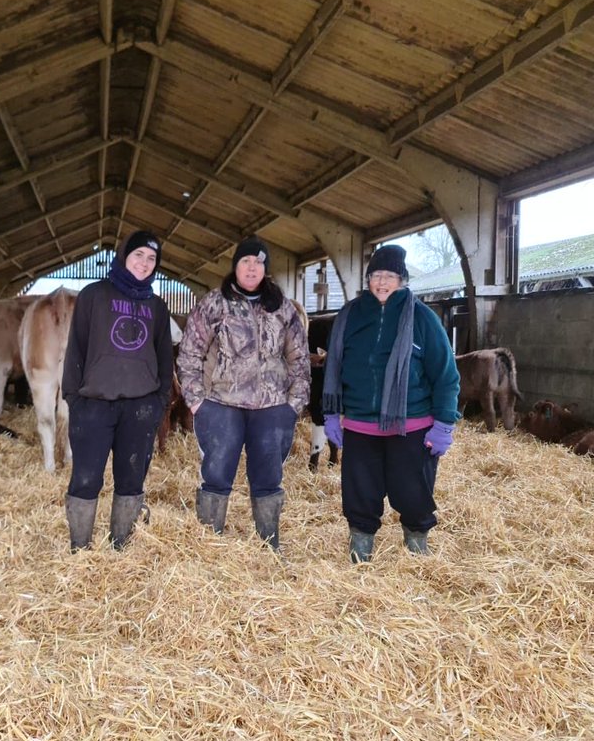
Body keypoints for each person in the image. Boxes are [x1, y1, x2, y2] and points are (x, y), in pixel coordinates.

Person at [320, 244, 460, 563]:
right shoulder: (350, 315)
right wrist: (331, 414)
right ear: (368, 279)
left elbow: (446, 375)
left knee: (413, 492)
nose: (382, 282)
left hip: (411, 425)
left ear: (403, 279)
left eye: (390, 276)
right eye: (376, 276)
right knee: (359, 493)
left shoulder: (422, 318)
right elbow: (334, 367)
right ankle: (361, 546)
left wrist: (443, 424)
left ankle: (416, 543)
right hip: (359, 424)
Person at [177, 236, 310, 551]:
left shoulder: (284, 309)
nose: (252, 268)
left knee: (268, 475)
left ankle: (269, 543)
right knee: (217, 471)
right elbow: (189, 353)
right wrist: (196, 401)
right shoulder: (214, 303)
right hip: (222, 405)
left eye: (259, 263)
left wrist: (294, 404)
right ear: (235, 266)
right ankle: (210, 542)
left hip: (273, 406)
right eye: (246, 261)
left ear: (266, 269)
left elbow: (300, 358)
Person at [62, 230, 175, 551]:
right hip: (93, 406)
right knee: (86, 479)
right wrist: (74, 397)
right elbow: (76, 350)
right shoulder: (94, 295)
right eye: (138, 255)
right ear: (124, 255)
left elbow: (165, 359)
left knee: (131, 480)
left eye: (152, 259)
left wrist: (158, 402)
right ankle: (79, 548)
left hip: (140, 408)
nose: (144, 263)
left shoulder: (156, 306)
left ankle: (120, 545)